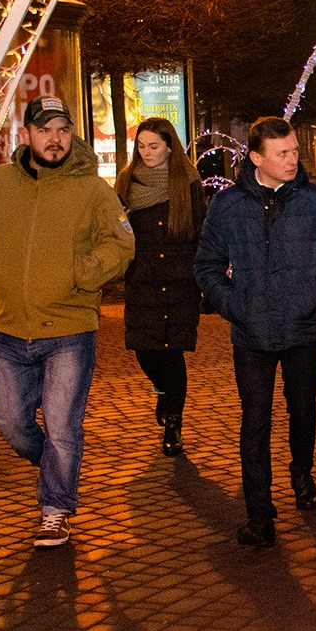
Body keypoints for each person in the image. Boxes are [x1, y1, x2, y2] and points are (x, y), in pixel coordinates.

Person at [0, 96, 135, 548]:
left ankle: (55, 510)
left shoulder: (93, 190)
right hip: (11, 327)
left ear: (72, 134)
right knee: (9, 420)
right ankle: (57, 467)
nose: (55, 139)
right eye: (45, 130)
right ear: (26, 135)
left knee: (61, 427)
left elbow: (120, 244)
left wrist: (81, 274)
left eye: (63, 130)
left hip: (70, 329)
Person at [194, 116, 316, 548]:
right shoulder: (227, 206)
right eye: (282, 153)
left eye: (295, 151)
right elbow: (207, 265)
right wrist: (234, 305)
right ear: (255, 158)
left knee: (302, 409)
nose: (292, 159)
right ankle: (259, 513)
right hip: (251, 334)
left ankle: (302, 473)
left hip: (303, 329)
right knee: (255, 419)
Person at [115, 117, 207, 457]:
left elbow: (201, 230)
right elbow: (115, 229)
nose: (147, 152)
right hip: (143, 279)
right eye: (141, 146)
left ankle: (173, 424)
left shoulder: (188, 181)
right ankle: (163, 390)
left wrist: (204, 277)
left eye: (154, 146)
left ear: (170, 147)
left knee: (171, 352)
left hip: (180, 280)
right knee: (145, 349)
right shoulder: (126, 182)